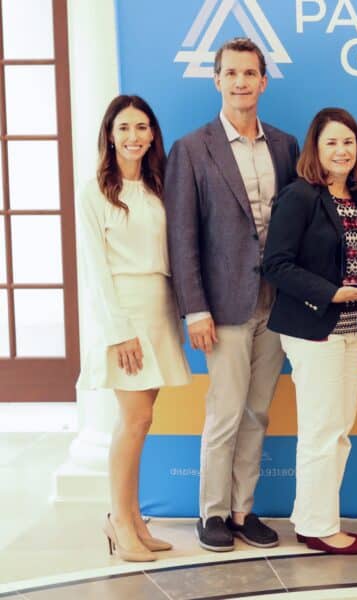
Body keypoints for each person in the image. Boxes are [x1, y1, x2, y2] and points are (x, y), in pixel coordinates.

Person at [165, 37, 300, 552]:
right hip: (221, 306)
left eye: (250, 73)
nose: (241, 82)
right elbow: (183, 237)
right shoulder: (192, 149)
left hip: (277, 301)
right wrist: (194, 308)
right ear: (217, 80)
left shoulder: (286, 146)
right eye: (232, 73)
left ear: (264, 82)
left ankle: (244, 510)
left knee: (258, 411)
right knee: (225, 410)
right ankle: (212, 513)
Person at [77, 95, 191, 562]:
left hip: (159, 307)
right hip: (124, 312)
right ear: (109, 134)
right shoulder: (95, 192)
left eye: (142, 127)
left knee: (144, 422)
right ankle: (118, 520)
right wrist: (118, 330)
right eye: (124, 127)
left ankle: (135, 517)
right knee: (134, 420)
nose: (133, 136)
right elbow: (96, 270)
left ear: (152, 134)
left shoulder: (160, 187)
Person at [262, 108, 357, 555]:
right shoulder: (299, 196)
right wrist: (331, 293)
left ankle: (315, 516)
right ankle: (318, 526)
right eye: (331, 142)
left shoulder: (356, 198)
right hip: (314, 327)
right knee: (321, 429)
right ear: (315, 148)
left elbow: (354, 256)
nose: (341, 150)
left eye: (348, 141)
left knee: (339, 429)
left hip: (353, 326)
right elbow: (276, 265)